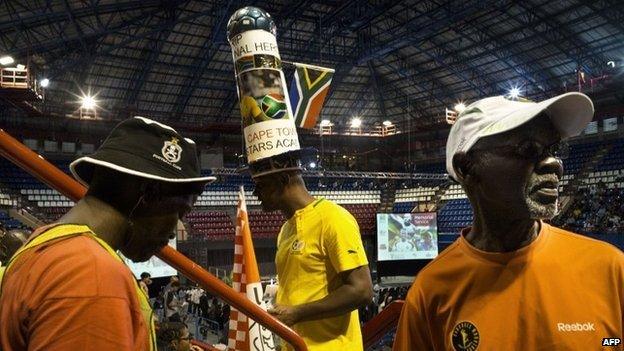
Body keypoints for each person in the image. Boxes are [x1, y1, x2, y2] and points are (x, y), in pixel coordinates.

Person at [393, 93, 624, 350]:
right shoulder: (431, 291)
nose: (554, 164)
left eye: (554, 150)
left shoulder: (610, 269)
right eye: (528, 150)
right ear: (467, 167)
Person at [0, 116, 215, 350]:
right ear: (149, 194)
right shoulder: (90, 274)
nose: (175, 232)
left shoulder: (45, 246)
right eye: (180, 213)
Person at [252, 152, 374, 350]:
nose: (255, 193)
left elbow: (362, 290)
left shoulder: (334, 219)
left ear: (283, 179)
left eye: (261, 184)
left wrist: (298, 313)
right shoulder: (285, 230)